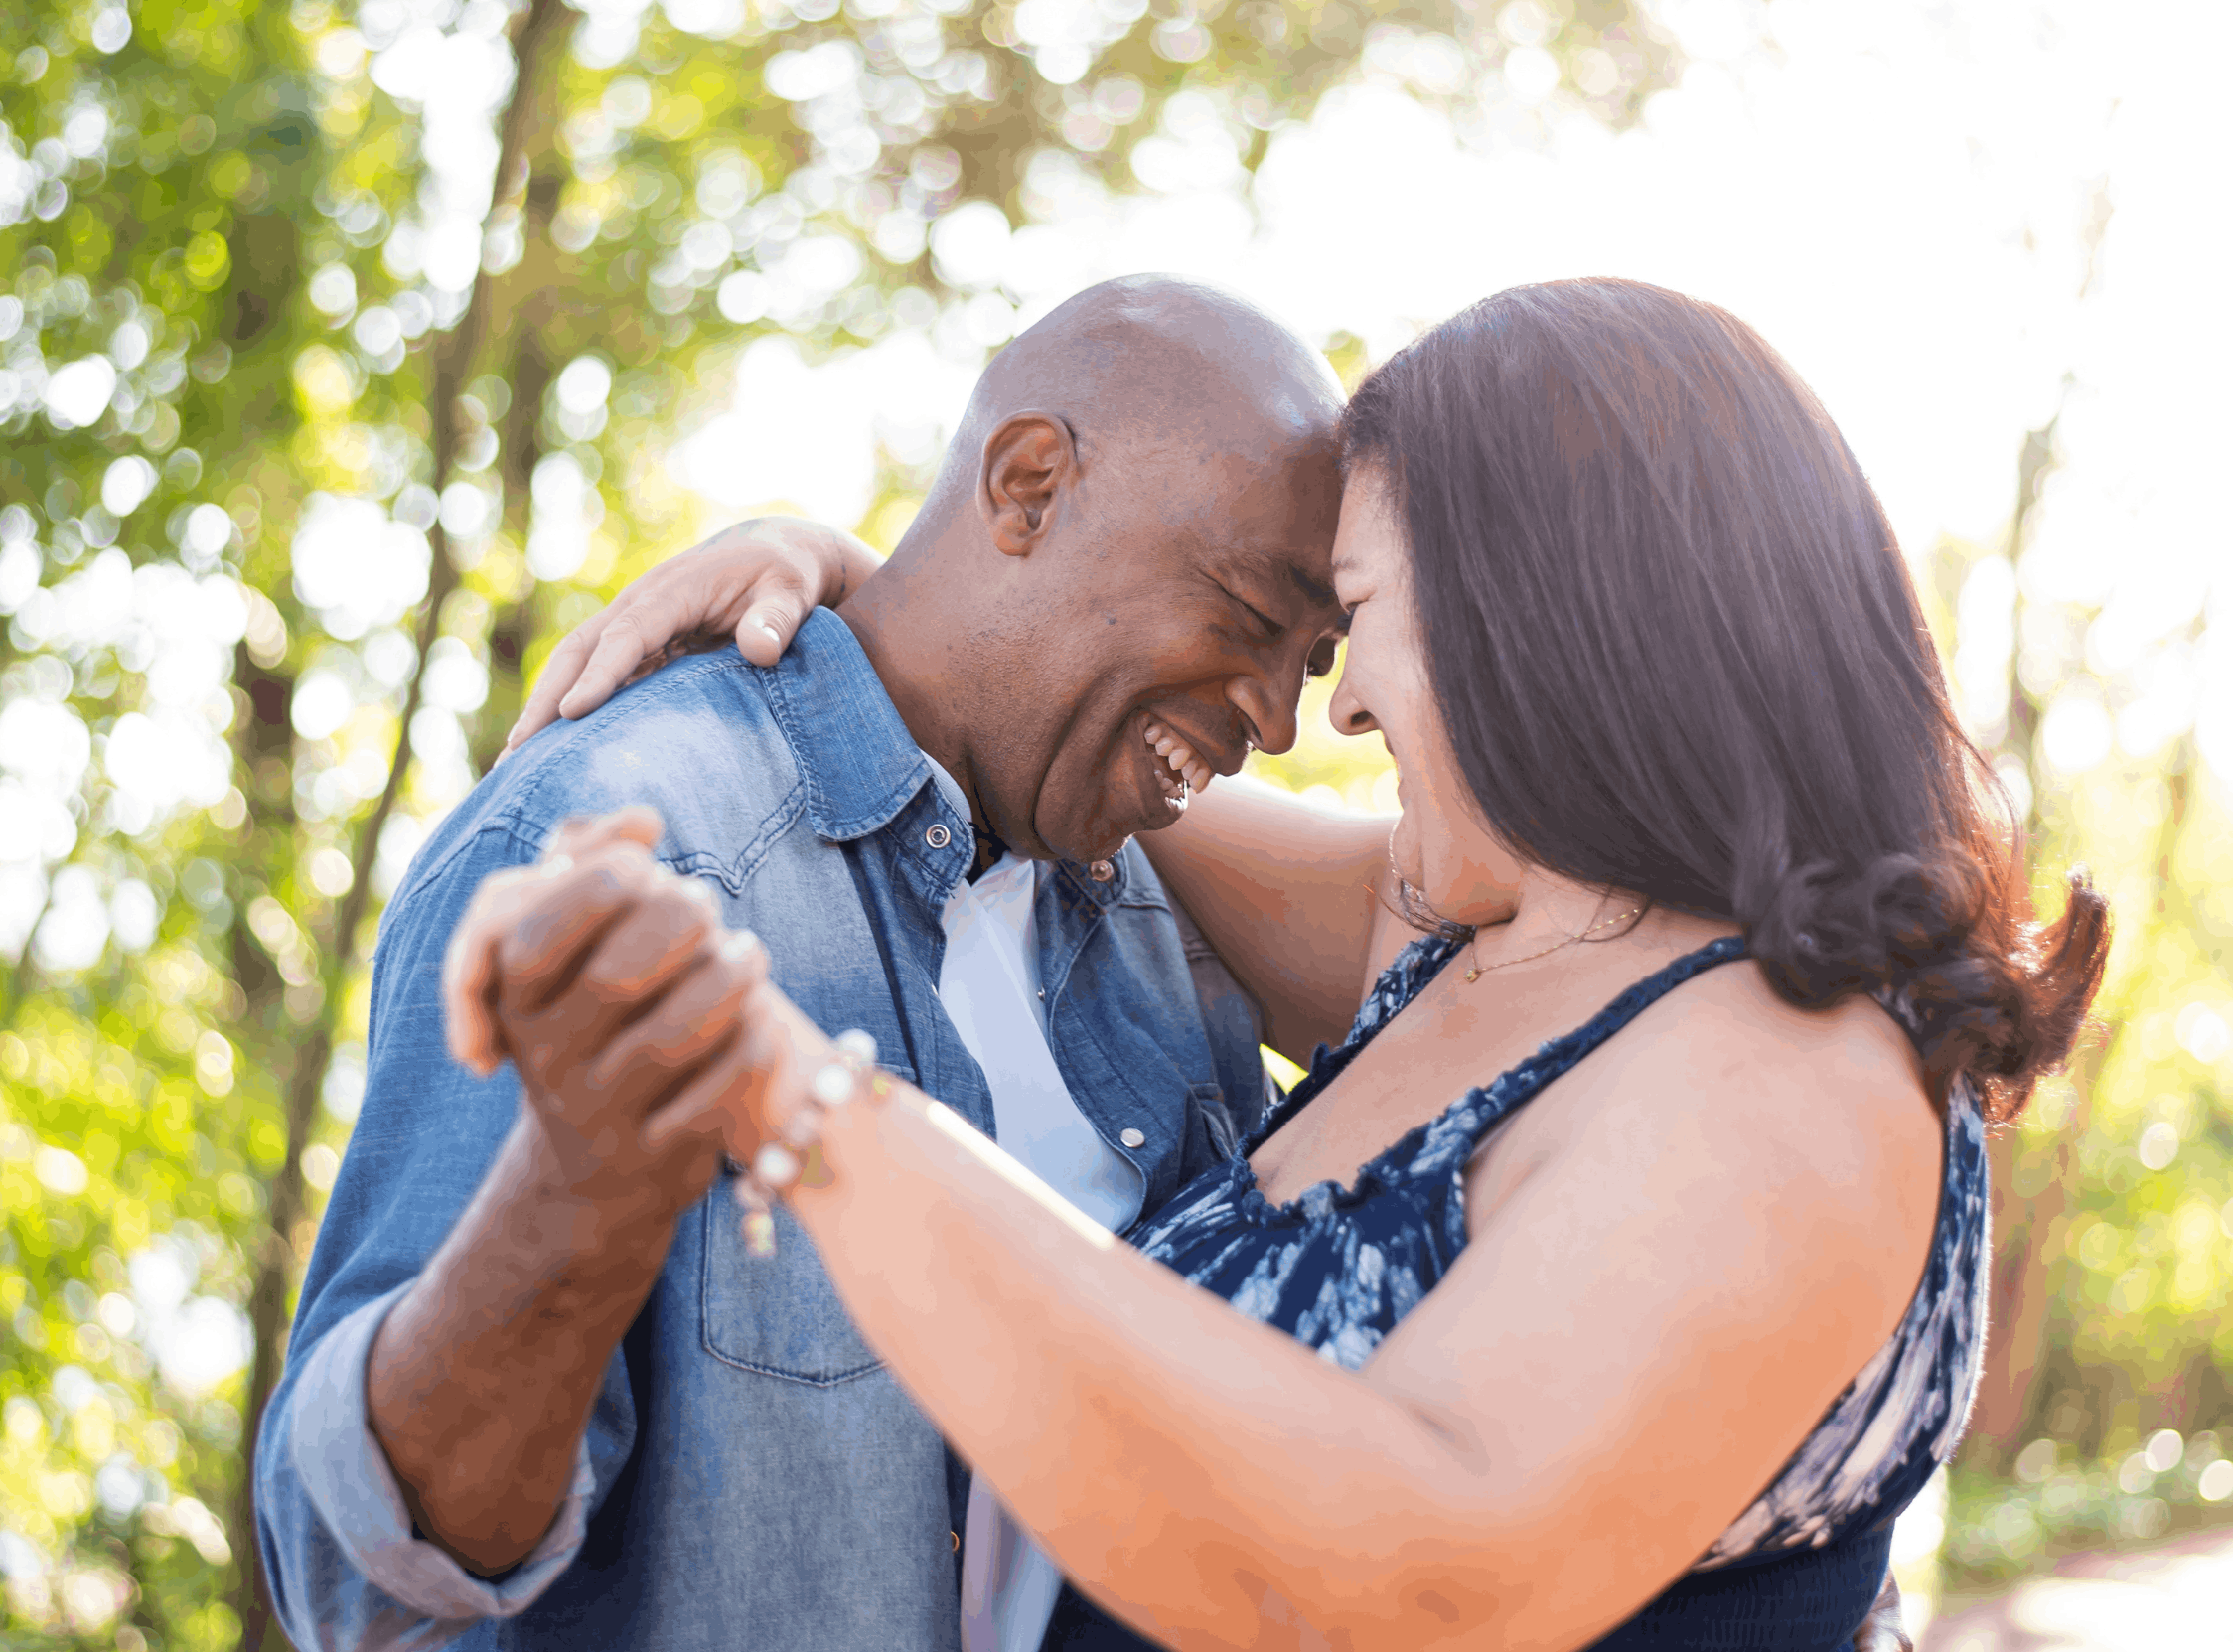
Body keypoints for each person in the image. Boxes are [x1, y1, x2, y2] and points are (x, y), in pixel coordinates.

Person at [463, 278, 2108, 1648]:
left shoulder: (1788, 1072)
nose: (1338, 713)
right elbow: (1035, 748)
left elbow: (1426, 1565)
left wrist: (785, 1087)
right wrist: (867, 587)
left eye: (1358, 618)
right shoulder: (1487, 939)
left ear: (1545, 623)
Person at [250, 276, 1356, 1652]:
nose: (1282, 716)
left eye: (1315, 657)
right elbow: (354, 1579)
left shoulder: (1167, 939)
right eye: (1253, 616)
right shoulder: (628, 845)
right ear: (1027, 488)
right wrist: (577, 1201)